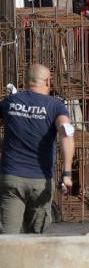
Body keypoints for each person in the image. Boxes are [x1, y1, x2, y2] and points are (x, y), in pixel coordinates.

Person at [0, 65, 74, 234]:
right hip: (40, 181)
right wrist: (67, 173)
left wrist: (3, 144)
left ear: (25, 82)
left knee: (7, 239)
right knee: (35, 239)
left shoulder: (11, 101)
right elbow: (66, 134)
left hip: (11, 178)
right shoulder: (56, 106)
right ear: (48, 81)